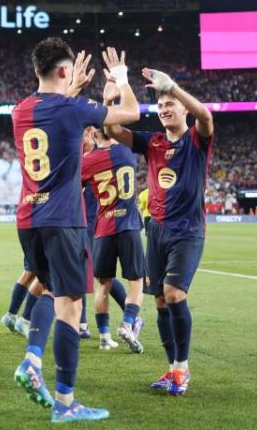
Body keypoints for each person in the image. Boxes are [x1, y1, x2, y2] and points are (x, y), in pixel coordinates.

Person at [11, 39, 138, 423]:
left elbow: (53, 111)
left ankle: (33, 359)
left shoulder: (19, 110)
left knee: (50, 290)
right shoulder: (72, 109)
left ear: (37, 71)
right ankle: (65, 402)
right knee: (72, 304)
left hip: (28, 219)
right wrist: (120, 77)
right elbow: (130, 112)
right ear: (65, 71)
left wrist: (72, 89)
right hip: (64, 220)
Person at [104, 67, 214, 397]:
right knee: (162, 301)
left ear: (182, 108)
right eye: (161, 105)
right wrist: (113, 94)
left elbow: (206, 116)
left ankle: (182, 367)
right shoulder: (152, 142)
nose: (165, 109)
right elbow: (111, 128)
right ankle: (172, 369)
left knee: (176, 294)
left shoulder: (197, 139)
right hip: (157, 230)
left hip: (188, 231)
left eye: (170, 104)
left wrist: (174, 88)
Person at [81, 123, 146, 353]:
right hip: (129, 225)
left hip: (103, 227)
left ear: (95, 133)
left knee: (102, 285)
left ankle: (104, 337)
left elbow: (72, 186)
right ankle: (128, 323)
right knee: (137, 281)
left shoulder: (87, 161)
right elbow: (113, 125)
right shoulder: (127, 152)